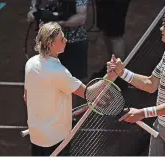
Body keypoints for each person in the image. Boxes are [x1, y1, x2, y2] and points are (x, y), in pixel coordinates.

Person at [107, 8, 165, 156]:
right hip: (162, 124)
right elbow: (151, 84)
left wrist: (143, 113)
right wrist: (122, 72)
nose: (161, 28)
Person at [24, 22, 114, 156]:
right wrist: (110, 76)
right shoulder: (59, 72)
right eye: (62, 39)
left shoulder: (30, 63)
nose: (66, 40)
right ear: (51, 44)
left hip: (36, 134)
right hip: (56, 139)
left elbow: (26, 97)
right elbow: (89, 94)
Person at [27, 0, 88, 81]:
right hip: (52, 40)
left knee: (76, 80)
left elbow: (81, 17)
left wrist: (61, 23)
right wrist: (33, 8)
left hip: (74, 41)